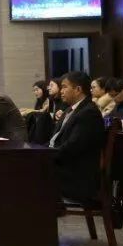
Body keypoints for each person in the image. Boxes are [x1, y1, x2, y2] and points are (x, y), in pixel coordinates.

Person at [49, 71, 105, 202]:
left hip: (74, 174)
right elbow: (55, 140)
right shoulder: (70, 110)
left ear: (78, 89)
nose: (61, 91)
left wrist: (45, 156)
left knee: (27, 175)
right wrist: (38, 151)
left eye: (64, 87)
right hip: (61, 165)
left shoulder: (89, 113)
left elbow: (73, 146)